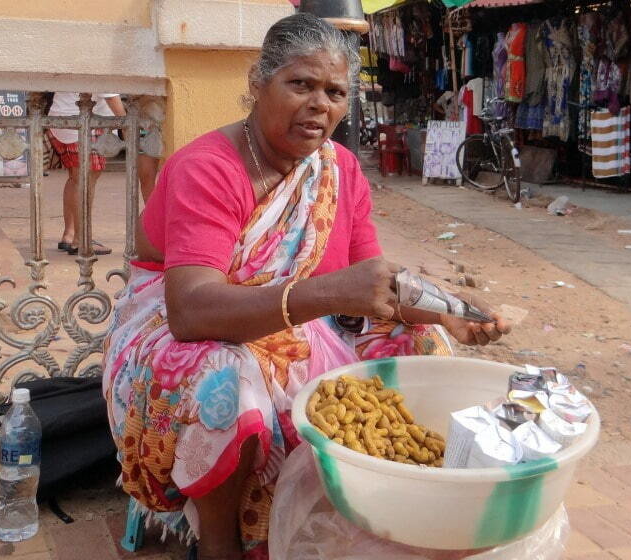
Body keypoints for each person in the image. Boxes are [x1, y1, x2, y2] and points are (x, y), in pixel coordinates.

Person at [103, 13, 511, 560]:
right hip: (182, 325)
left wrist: (447, 312)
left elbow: (374, 278)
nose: (320, 104)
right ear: (257, 85)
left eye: (336, 92)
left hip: (297, 321)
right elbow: (191, 311)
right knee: (225, 377)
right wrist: (325, 296)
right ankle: (221, 542)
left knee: (420, 345)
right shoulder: (209, 167)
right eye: (301, 84)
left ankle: (378, 507)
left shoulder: (337, 168)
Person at [48, 92, 126, 255]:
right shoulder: (103, 65)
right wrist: (127, 125)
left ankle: (69, 234)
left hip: (61, 118)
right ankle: (81, 238)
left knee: (75, 179)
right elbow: (110, 95)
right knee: (85, 181)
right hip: (85, 124)